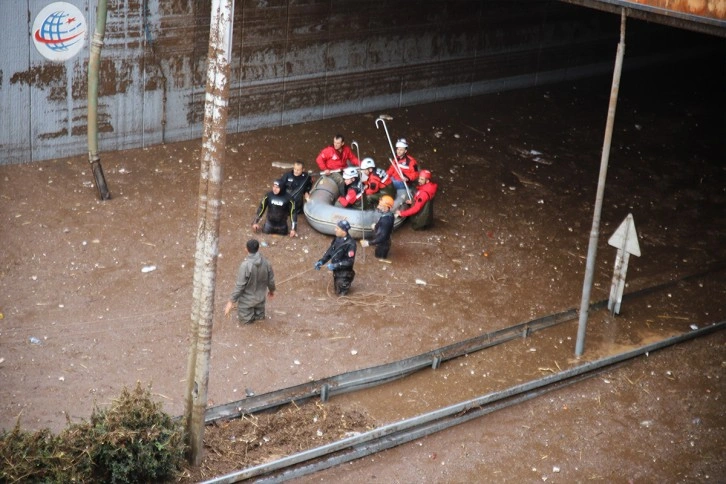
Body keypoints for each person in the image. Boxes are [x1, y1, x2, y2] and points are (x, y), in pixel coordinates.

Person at [224, 239, 276, 325]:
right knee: (260, 324)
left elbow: (240, 286)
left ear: (246, 249)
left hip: (246, 304)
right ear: (258, 249)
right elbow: (271, 280)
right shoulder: (266, 263)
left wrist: (231, 302)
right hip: (260, 301)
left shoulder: (245, 266)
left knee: (246, 327)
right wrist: (271, 291)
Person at [314, 220, 357, 296]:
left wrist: (336, 265)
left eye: (337, 228)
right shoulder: (337, 238)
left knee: (341, 294)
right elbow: (330, 251)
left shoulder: (351, 244)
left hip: (344, 273)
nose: (335, 230)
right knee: (337, 289)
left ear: (344, 231)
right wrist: (322, 261)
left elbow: (349, 262)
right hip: (336, 271)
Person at [361, 195, 395, 259]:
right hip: (385, 241)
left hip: (382, 245)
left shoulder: (386, 221)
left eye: (380, 206)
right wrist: (376, 226)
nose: (378, 207)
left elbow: (382, 237)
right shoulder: (390, 215)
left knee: (379, 257)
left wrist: (368, 243)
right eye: (379, 205)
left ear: (387, 208)